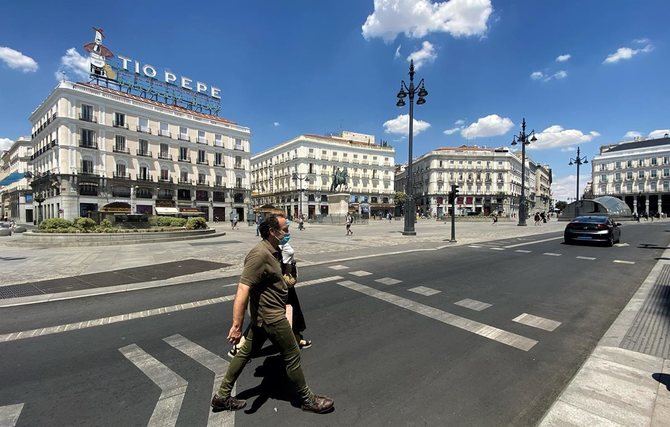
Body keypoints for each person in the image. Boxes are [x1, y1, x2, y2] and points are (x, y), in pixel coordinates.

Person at [212, 215, 333, 414]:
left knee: (244, 354)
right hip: (272, 316)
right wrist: (236, 326)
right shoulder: (259, 255)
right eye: (285, 229)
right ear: (272, 232)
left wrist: (289, 262)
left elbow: (287, 282)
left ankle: (222, 397)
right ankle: (307, 399)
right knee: (292, 354)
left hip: (264, 317)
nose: (288, 233)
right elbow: (243, 289)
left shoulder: (275, 251)